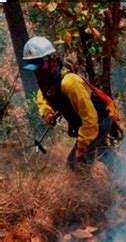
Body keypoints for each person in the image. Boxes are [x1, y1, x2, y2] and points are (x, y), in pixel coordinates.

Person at [23, 36, 115, 172]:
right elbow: (42, 97)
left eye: (39, 67)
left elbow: (90, 119)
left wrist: (82, 147)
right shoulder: (47, 81)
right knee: (101, 151)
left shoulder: (70, 82)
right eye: (34, 68)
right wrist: (47, 112)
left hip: (98, 122)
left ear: (51, 60)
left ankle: (92, 192)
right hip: (91, 123)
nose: (37, 72)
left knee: (76, 165)